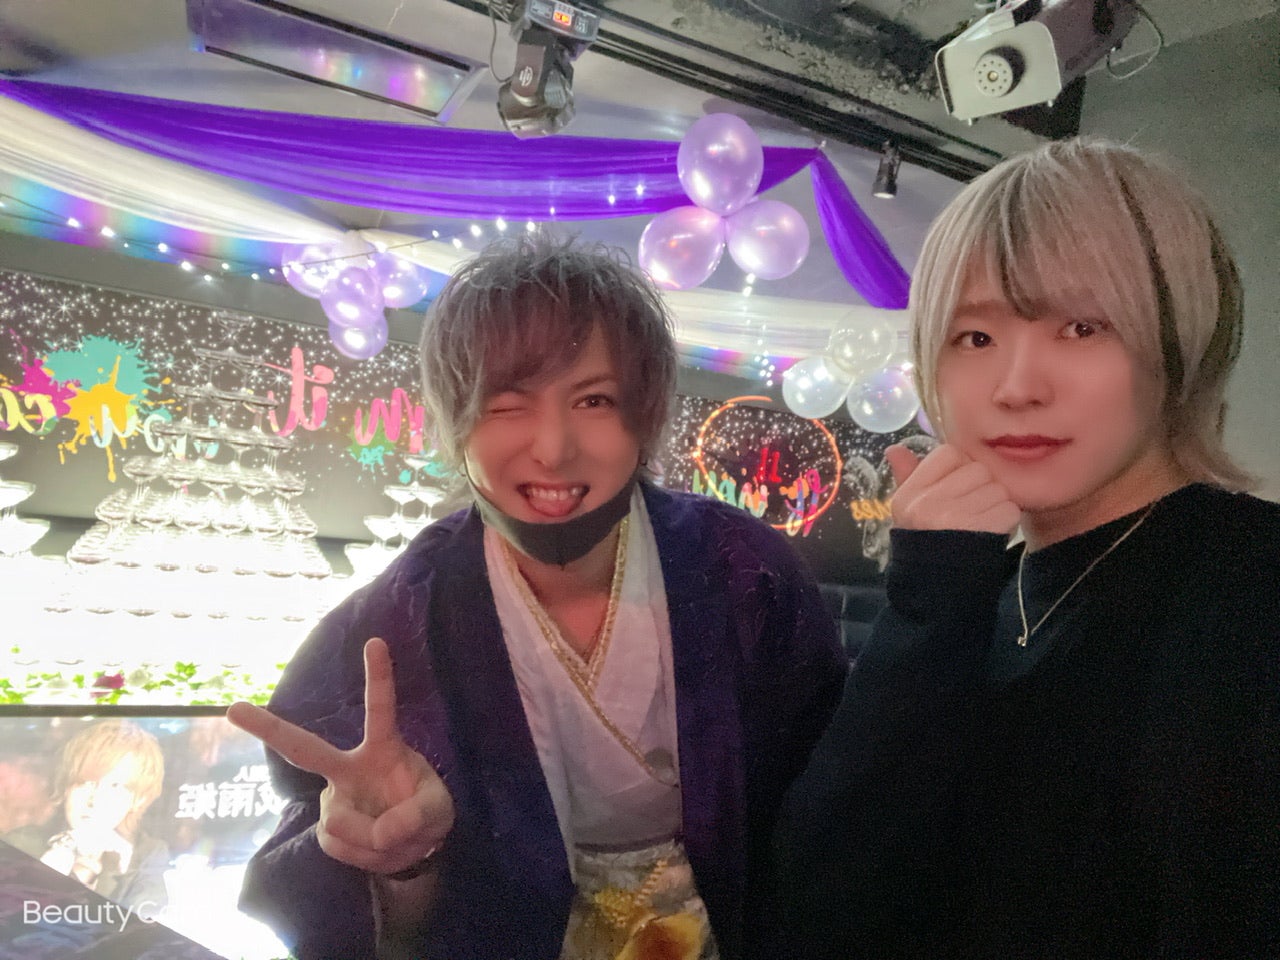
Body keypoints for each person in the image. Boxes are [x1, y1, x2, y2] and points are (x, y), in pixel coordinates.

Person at [228, 235, 846, 960]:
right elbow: (343, 885)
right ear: (456, 422)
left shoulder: (744, 572)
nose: (554, 448)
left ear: (644, 416)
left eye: (594, 400)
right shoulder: (396, 621)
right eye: (505, 404)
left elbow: (825, 807)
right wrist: (402, 863)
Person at [772, 136, 1280, 959]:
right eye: (974, 338)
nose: (1016, 387)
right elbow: (818, 907)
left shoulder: (1249, 595)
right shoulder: (969, 594)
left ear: (1177, 338)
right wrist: (926, 610)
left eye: (1081, 327)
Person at [5, 719, 169, 912]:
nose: (95, 800)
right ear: (66, 787)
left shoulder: (146, 856)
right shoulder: (20, 843)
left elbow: (140, 925)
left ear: (138, 799)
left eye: (115, 786)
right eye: (86, 783)